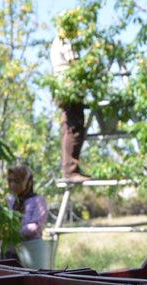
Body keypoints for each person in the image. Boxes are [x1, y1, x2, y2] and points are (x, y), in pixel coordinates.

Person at [51, 32, 90, 182]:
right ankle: (70, 170)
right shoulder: (65, 38)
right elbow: (75, 64)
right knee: (74, 128)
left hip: (63, 89)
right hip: (69, 89)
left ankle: (71, 169)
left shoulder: (57, 40)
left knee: (70, 127)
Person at [0, 165, 48, 260]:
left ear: (27, 182)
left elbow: (37, 226)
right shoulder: (8, 200)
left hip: (30, 254)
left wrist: (14, 231)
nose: (12, 184)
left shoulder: (37, 201)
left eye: (17, 181)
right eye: (10, 181)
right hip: (8, 253)